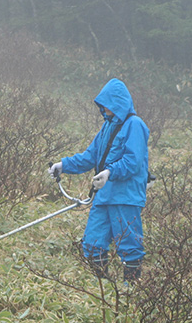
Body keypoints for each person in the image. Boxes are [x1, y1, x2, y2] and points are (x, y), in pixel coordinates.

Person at [48, 78, 150, 282]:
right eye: (103, 103)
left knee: (129, 244)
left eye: (108, 103)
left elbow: (133, 161)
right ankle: (102, 286)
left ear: (118, 102)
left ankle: (131, 288)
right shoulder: (107, 127)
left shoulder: (135, 125)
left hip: (125, 196)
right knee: (93, 243)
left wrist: (110, 172)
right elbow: (90, 156)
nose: (104, 107)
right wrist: (64, 165)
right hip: (104, 196)